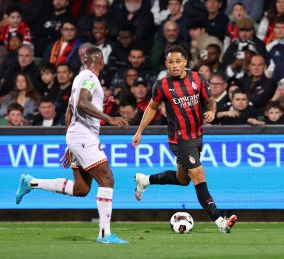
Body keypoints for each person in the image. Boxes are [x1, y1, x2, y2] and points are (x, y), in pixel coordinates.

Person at [16, 47, 129, 244]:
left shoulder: (78, 78)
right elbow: (83, 103)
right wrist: (109, 118)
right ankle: (105, 234)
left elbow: (70, 111)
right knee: (107, 179)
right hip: (84, 135)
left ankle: (31, 182)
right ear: (100, 61)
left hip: (77, 136)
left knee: (81, 189)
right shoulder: (90, 78)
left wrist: (70, 144)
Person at [131, 45, 237, 233]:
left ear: (185, 62)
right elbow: (152, 107)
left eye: (178, 61)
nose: (174, 65)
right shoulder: (162, 85)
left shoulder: (198, 79)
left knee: (183, 179)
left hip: (197, 136)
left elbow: (210, 99)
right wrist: (139, 131)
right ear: (166, 64)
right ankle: (220, 221)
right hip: (180, 138)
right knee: (198, 174)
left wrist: (212, 110)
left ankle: (145, 179)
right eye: (170, 62)